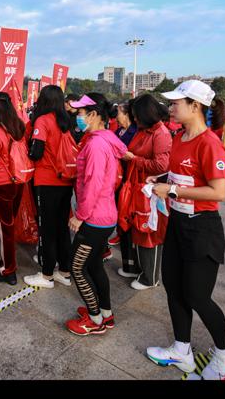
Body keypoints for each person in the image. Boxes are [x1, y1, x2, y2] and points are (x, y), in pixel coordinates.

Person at [146, 79, 225, 380]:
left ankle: (224, 353)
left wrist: (170, 189)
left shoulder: (209, 143)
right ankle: (181, 348)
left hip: (202, 229)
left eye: (176, 103)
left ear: (195, 106)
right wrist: (160, 181)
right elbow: (181, 176)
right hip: (177, 224)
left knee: (198, 296)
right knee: (174, 288)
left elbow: (219, 192)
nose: (170, 108)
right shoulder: (180, 137)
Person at [63, 93, 126, 335]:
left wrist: (81, 215)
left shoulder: (97, 144)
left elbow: (93, 183)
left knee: (77, 268)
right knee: (95, 266)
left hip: (94, 217)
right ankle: (105, 314)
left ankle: (95, 319)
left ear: (93, 115)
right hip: (104, 214)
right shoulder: (105, 138)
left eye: (80, 113)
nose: (77, 117)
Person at [23, 85, 76, 289]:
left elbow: (36, 151)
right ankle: (64, 271)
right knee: (62, 228)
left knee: (46, 228)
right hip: (65, 180)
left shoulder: (43, 121)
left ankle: (46, 275)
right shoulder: (65, 122)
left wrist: (25, 152)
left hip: (47, 180)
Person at [118, 94, 171, 290]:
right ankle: (141, 269)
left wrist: (133, 159)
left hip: (150, 189)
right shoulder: (145, 130)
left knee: (148, 231)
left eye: (136, 115)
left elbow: (161, 165)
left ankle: (150, 277)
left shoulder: (161, 134)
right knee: (137, 227)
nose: (135, 119)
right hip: (136, 186)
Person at [0, 91, 28, 285]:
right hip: (19, 180)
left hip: (2, 183)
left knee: (4, 228)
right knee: (10, 224)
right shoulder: (19, 126)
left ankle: (8, 270)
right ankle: (7, 259)